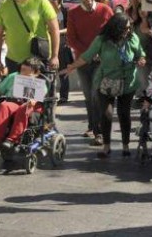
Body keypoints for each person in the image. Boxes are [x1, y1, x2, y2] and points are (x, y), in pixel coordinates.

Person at [62, 13, 146, 158]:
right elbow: (87, 56)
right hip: (106, 81)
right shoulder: (102, 40)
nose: (127, 31)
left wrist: (141, 60)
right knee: (106, 114)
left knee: (124, 114)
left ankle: (125, 145)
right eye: (124, 28)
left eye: (129, 27)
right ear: (115, 27)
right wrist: (72, 67)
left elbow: (140, 54)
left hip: (128, 82)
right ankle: (106, 146)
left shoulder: (132, 38)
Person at [66, 0, 114, 143]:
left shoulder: (105, 10)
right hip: (83, 61)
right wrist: (89, 54)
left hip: (102, 61)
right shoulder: (73, 13)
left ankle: (99, 132)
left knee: (96, 95)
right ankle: (93, 127)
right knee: (88, 96)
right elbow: (71, 39)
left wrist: (101, 52)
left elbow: (114, 33)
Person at [0, 0, 59, 74]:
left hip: (38, 60)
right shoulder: (4, 6)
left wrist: (55, 56)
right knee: (15, 90)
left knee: (43, 90)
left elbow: (54, 29)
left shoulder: (40, 1)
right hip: (14, 61)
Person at [0, 58, 46, 148]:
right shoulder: (13, 76)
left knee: (24, 107)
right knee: (4, 105)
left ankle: (12, 139)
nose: (23, 74)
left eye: (27, 72)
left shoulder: (39, 83)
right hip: (15, 102)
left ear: (36, 73)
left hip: (32, 106)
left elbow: (40, 95)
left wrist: (33, 101)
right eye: (22, 70)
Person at [46, 0, 73, 103]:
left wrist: (57, 32)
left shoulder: (65, 11)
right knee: (48, 73)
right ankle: (50, 96)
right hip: (47, 45)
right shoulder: (44, 10)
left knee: (63, 72)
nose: (51, 0)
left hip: (62, 45)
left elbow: (70, 28)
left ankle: (63, 96)